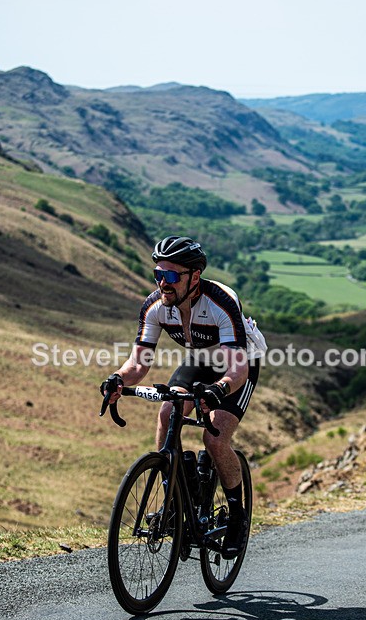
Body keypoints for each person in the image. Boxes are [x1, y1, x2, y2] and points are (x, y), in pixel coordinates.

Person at [102, 235, 266, 559]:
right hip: (200, 359)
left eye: (172, 276)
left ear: (194, 276)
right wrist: (118, 379)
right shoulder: (155, 307)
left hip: (238, 364)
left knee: (215, 439)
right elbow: (138, 363)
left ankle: (237, 517)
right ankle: (179, 497)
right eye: (158, 274)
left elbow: (237, 369)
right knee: (167, 415)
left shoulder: (220, 303)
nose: (163, 282)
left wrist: (218, 390)